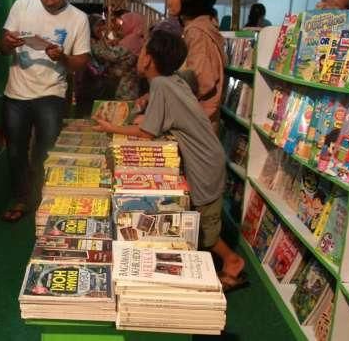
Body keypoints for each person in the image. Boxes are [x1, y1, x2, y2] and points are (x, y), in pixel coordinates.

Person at [93, 30, 247, 292]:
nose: (138, 55)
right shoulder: (172, 79)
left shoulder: (161, 84)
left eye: (142, 51)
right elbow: (166, 111)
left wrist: (111, 128)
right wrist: (147, 105)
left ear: (149, 60)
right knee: (201, 217)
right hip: (209, 155)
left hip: (204, 163)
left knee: (205, 226)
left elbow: (146, 133)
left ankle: (232, 262)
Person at [0, 0, 91, 221]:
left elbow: (80, 63)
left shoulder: (78, 19)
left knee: (46, 150)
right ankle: (21, 198)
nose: (49, 2)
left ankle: (42, 198)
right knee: (15, 150)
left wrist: (61, 57)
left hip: (52, 92)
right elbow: (3, 47)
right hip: (16, 92)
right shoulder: (21, 6)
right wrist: (8, 42)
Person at [169, 0, 227, 134]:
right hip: (200, 120)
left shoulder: (196, 32)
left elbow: (201, 80)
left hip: (197, 123)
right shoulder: (201, 26)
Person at [90, 14, 140, 101]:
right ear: (90, 27)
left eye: (103, 24)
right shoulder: (91, 42)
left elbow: (111, 55)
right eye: (98, 25)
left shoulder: (131, 39)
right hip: (100, 82)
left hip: (119, 84)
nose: (102, 28)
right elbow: (109, 56)